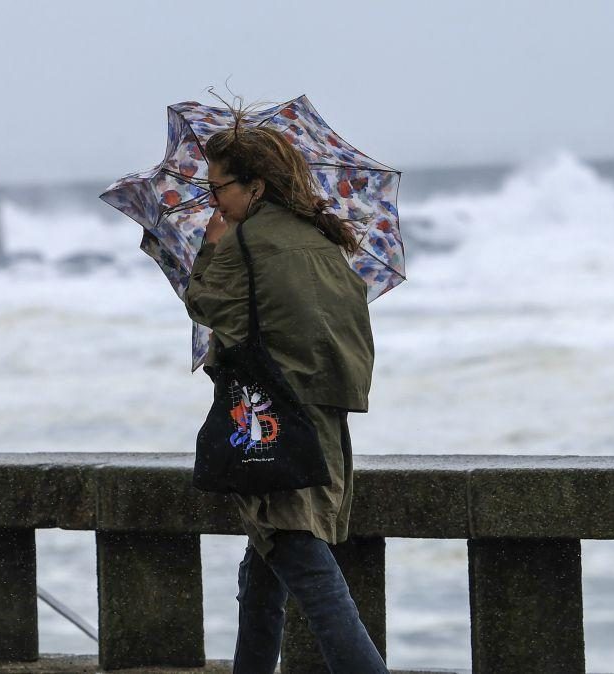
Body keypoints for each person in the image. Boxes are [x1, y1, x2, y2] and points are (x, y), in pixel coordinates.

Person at [184, 122, 389, 673]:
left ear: (253, 186)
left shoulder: (248, 242)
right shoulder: (322, 238)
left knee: (304, 564)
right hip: (323, 417)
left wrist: (210, 247)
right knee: (265, 559)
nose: (213, 200)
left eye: (217, 188)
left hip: (270, 420)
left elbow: (208, 305)